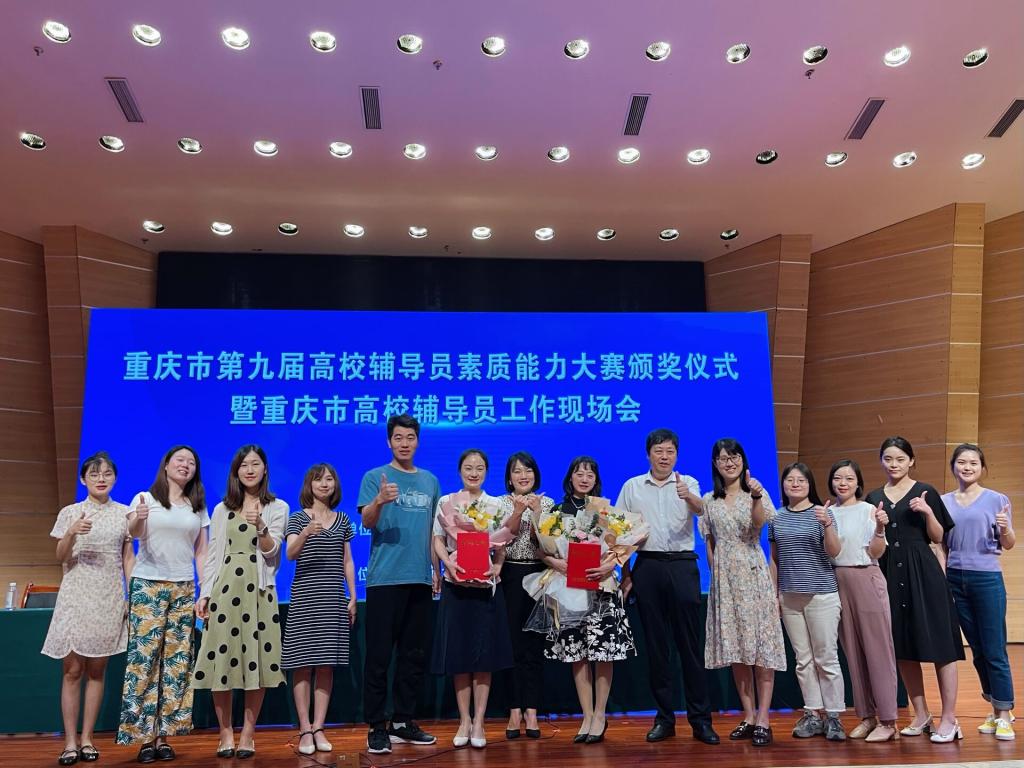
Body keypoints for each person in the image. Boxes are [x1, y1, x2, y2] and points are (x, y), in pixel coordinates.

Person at [615, 428, 718, 745]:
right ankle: (664, 719)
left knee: (690, 646)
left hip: (683, 565)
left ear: (677, 455)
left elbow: (703, 510)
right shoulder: (632, 486)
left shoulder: (689, 483)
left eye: (670, 451)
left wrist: (688, 496)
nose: (664, 456)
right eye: (658, 451)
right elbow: (620, 532)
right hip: (647, 566)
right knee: (657, 649)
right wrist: (626, 574)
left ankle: (701, 721)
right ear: (648, 454)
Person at [864, 436, 963, 743]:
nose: (894, 464)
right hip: (889, 574)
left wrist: (927, 512)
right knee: (902, 646)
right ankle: (921, 714)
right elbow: (873, 546)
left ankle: (949, 718)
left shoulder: (926, 491)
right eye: (888, 459)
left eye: (900, 459)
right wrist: (879, 525)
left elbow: (938, 536)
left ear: (911, 461)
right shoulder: (873, 497)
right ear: (881, 461)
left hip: (923, 573)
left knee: (942, 646)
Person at [193, 445, 288, 759]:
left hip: (259, 592)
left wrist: (260, 525)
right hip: (225, 591)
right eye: (244, 465)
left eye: (255, 464)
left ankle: (248, 733)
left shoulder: (278, 507)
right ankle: (225, 732)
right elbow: (213, 555)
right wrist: (205, 593)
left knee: (256, 662)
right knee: (222, 661)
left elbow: (272, 552)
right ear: (236, 471)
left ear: (265, 469)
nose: (249, 470)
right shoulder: (223, 509)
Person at [117, 446, 209, 763]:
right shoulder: (144, 498)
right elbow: (133, 534)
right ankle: (144, 739)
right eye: (180, 460)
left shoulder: (197, 506)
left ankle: (165, 737)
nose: (186, 465)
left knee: (176, 664)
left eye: (191, 462)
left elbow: (201, 551)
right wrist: (139, 520)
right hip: (148, 584)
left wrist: (204, 590)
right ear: (166, 465)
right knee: (145, 663)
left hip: (183, 587)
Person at [356, 414, 441, 755]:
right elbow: (367, 521)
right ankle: (377, 726)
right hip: (384, 580)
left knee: (413, 655)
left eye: (410, 437)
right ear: (389, 442)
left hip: (420, 578)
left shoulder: (430, 481)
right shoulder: (374, 477)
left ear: (417, 441)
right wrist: (379, 501)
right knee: (378, 656)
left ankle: (403, 721)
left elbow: (434, 532)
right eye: (398, 438)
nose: (405, 443)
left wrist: (436, 570)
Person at [43, 451, 133, 767]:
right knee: (72, 671)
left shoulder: (124, 513)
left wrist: (131, 593)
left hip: (109, 597)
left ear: (115, 478)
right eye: (94, 474)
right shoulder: (71, 512)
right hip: (76, 596)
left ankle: (87, 739)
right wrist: (71, 532)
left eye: (107, 473)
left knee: (97, 671)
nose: (101, 479)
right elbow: (60, 556)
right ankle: (69, 742)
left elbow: (127, 558)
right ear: (84, 479)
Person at [540, 456, 635, 745]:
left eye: (590, 474)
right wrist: (556, 563)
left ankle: (600, 715)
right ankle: (587, 715)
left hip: (601, 587)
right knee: (577, 652)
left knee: (602, 651)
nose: (584, 478)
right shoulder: (556, 512)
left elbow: (622, 545)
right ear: (570, 477)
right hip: (569, 589)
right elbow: (542, 550)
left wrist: (613, 565)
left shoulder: (604, 511)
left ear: (596, 480)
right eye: (579, 473)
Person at [699, 438, 784, 748]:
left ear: (743, 460)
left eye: (734, 457)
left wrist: (758, 496)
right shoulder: (709, 500)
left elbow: (758, 525)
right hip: (725, 582)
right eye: (723, 458)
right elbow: (709, 543)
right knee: (737, 651)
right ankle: (748, 715)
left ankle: (763, 718)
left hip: (752, 574)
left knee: (761, 650)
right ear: (715, 464)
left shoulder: (755, 492)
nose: (729, 462)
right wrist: (716, 577)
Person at [431, 449, 514, 748]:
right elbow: (438, 539)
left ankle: (479, 721)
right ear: (460, 471)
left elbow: (503, 543)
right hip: (456, 584)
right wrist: (446, 565)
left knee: (483, 656)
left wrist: (498, 566)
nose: (474, 472)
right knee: (459, 656)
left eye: (479, 468)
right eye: (468, 467)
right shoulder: (447, 502)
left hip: (485, 587)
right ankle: (464, 720)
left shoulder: (496, 504)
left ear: (487, 472)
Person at [941, 443, 1015, 741]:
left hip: (986, 578)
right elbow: (941, 544)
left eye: (973, 462)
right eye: (962, 462)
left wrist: (1005, 528)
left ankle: (1004, 714)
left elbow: (1008, 543)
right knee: (977, 650)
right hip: (955, 579)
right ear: (953, 467)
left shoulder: (997, 500)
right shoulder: (944, 501)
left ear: (982, 467)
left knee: (994, 649)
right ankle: (995, 708)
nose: (967, 467)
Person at [282, 463, 357, 755]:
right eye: (318, 480)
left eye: (329, 479)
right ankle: (304, 729)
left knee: (326, 665)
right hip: (305, 599)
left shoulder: (343, 519)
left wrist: (353, 596)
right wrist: (305, 533)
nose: (324, 484)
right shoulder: (298, 518)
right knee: (302, 664)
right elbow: (290, 554)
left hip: (333, 598)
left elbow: (347, 561)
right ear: (309, 485)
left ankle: (319, 726)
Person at [770, 463, 845, 741]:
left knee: (826, 657)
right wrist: (775, 594)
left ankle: (834, 716)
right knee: (803, 660)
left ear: (809, 484)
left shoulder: (822, 513)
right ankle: (813, 714)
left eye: (801, 480)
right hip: (790, 597)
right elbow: (775, 559)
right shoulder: (776, 518)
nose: (795, 484)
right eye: (790, 479)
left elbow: (834, 551)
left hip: (822, 594)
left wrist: (827, 524)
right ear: (783, 485)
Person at [828, 459, 899, 742]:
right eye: (837, 478)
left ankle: (889, 720)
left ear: (858, 482)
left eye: (848, 478)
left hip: (866, 576)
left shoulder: (869, 510)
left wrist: (880, 529)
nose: (842, 483)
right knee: (853, 653)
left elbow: (876, 552)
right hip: (837, 581)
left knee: (878, 650)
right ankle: (867, 717)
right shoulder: (827, 512)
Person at [497, 451, 552, 740]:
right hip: (509, 575)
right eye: (517, 471)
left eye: (528, 470)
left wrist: (538, 513)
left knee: (534, 645)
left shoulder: (548, 503)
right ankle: (514, 710)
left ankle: (532, 710)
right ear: (509, 477)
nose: (523, 475)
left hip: (539, 575)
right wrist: (518, 511)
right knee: (511, 646)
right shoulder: (499, 503)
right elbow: (503, 537)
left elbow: (546, 543)